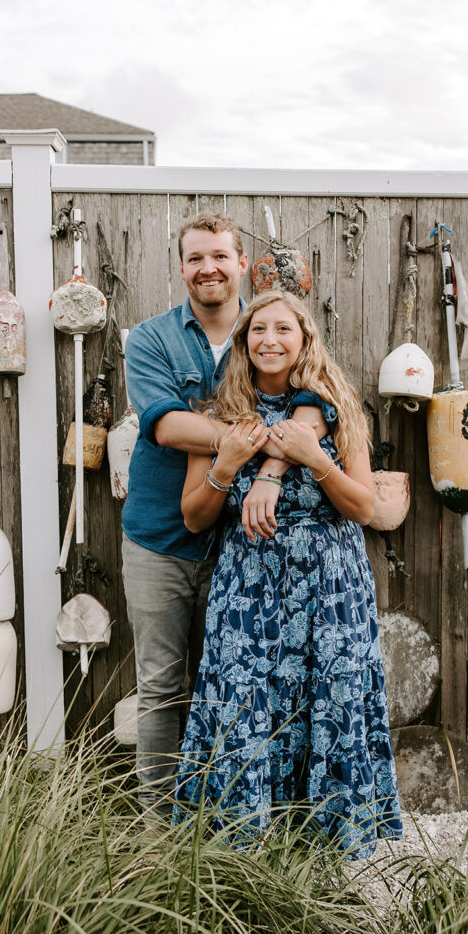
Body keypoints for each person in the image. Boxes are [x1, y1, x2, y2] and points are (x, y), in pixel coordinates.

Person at [174, 290, 402, 858]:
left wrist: (315, 460)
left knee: (332, 699)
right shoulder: (220, 420)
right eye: (257, 330)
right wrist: (226, 467)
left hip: (330, 586)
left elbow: (366, 508)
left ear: (304, 340)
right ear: (243, 344)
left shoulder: (337, 408)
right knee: (245, 703)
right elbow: (195, 516)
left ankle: (329, 847)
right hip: (250, 591)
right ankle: (243, 845)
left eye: (283, 329)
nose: (269, 340)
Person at [122, 213, 329, 810]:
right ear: (182, 267)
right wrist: (255, 436)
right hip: (160, 536)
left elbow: (316, 399)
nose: (207, 268)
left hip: (247, 545)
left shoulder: (266, 328)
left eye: (219, 256)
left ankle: (225, 820)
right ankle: (162, 826)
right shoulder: (153, 339)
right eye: (194, 258)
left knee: (242, 684)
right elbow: (166, 426)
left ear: (242, 263)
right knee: (161, 686)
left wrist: (259, 450)